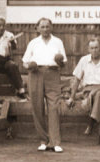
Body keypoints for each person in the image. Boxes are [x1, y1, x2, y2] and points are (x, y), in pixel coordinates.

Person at [22, 18, 66, 153]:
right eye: (42, 27)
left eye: (47, 26)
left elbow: (63, 62)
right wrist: (30, 66)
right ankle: (43, 140)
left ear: (51, 27)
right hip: (35, 73)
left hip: (53, 73)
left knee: (53, 106)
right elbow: (24, 62)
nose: (45, 29)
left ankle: (55, 142)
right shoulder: (33, 43)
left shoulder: (58, 41)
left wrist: (60, 62)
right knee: (37, 106)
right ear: (38, 28)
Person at [66, 37, 100, 145]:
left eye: (96, 47)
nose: (94, 50)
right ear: (88, 49)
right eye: (92, 48)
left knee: (99, 94)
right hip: (88, 91)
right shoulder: (84, 60)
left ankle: (91, 122)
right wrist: (72, 97)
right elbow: (77, 79)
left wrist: (96, 90)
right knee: (99, 99)